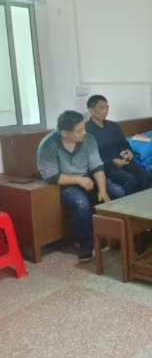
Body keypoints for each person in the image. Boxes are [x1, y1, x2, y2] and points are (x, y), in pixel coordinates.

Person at [37, 111, 126, 262]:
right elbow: (51, 176)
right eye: (79, 131)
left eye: (84, 128)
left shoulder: (88, 139)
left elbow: (97, 166)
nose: (84, 132)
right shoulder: (48, 145)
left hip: (88, 175)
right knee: (81, 205)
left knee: (118, 193)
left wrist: (102, 190)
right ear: (65, 133)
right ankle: (86, 245)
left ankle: (118, 237)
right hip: (65, 182)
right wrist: (78, 180)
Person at [85, 95, 151, 195]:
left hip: (124, 163)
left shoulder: (114, 126)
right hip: (105, 168)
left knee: (146, 175)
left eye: (107, 108)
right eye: (101, 108)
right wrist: (112, 161)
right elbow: (89, 158)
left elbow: (125, 144)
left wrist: (128, 152)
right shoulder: (86, 130)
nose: (105, 111)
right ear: (91, 110)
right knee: (130, 180)